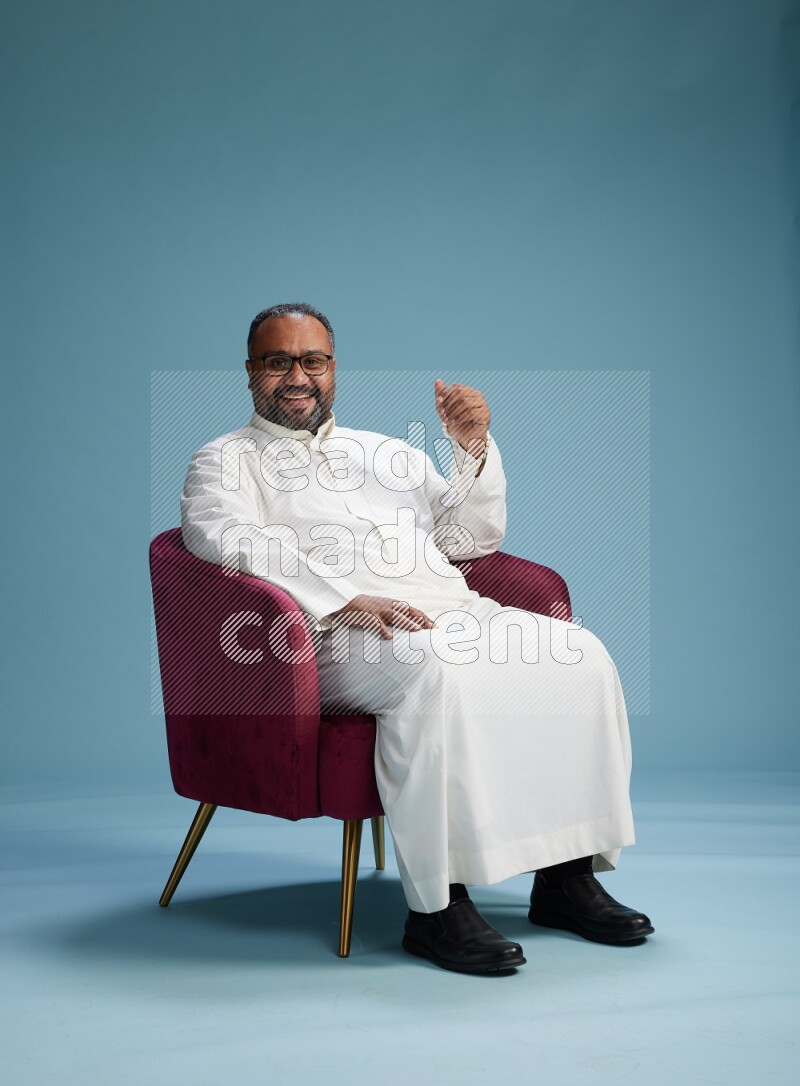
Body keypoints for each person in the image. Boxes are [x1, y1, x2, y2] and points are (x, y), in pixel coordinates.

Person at [180, 301, 655, 975]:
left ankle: (566, 877)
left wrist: (471, 449)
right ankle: (438, 908)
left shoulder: (388, 453)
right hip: (324, 637)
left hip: (449, 611)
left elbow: (472, 539)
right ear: (251, 371)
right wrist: (344, 597)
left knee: (580, 654)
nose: (297, 375)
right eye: (278, 361)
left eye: (312, 360)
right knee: (437, 672)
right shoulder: (224, 460)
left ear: (332, 369)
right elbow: (223, 538)